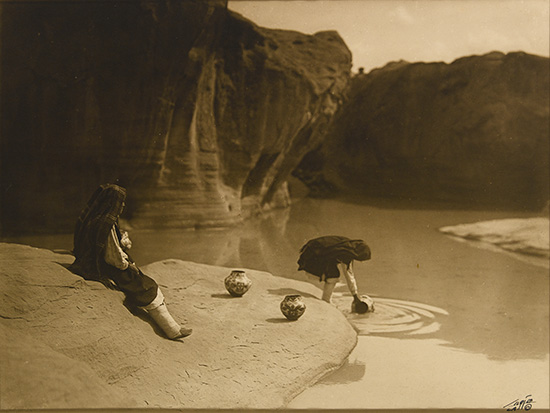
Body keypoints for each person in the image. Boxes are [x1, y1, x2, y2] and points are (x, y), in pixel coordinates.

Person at [69, 183, 192, 340]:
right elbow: (113, 258)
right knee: (147, 286)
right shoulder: (107, 224)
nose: (123, 205)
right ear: (112, 203)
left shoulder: (96, 218)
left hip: (93, 262)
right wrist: (128, 265)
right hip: (104, 267)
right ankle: (172, 330)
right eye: (121, 202)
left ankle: (173, 327)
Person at [297, 236, 374, 312]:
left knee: (332, 272)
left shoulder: (345, 245)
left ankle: (327, 299)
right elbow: (349, 275)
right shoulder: (346, 253)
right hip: (313, 256)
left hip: (312, 251)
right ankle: (326, 300)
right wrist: (355, 296)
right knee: (333, 276)